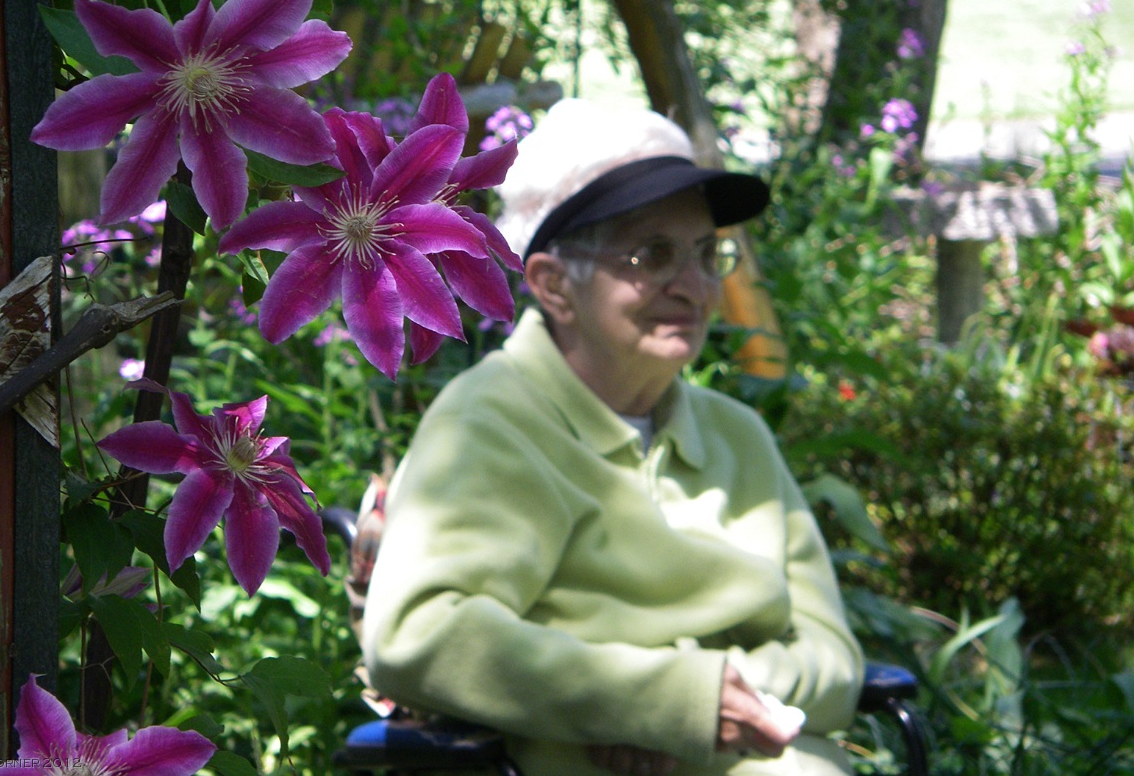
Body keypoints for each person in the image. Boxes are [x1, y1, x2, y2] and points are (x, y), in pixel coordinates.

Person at [360, 99, 864, 775]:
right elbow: (417, 635)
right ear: (555, 285)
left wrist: (698, 705)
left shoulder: (737, 437)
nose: (694, 286)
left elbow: (833, 659)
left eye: (705, 254)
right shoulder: (488, 422)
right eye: (653, 254)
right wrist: (657, 701)